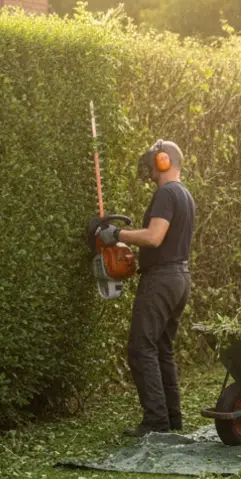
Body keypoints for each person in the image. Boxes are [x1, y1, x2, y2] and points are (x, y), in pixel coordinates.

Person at [96, 140, 195, 437]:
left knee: (142, 348)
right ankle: (173, 419)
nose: (149, 166)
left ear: (164, 161)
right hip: (180, 277)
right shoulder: (185, 194)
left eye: (153, 160)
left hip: (161, 280)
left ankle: (155, 421)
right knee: (162, 349)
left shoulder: (166, 193)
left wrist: (117, 234)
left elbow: (154, 237)